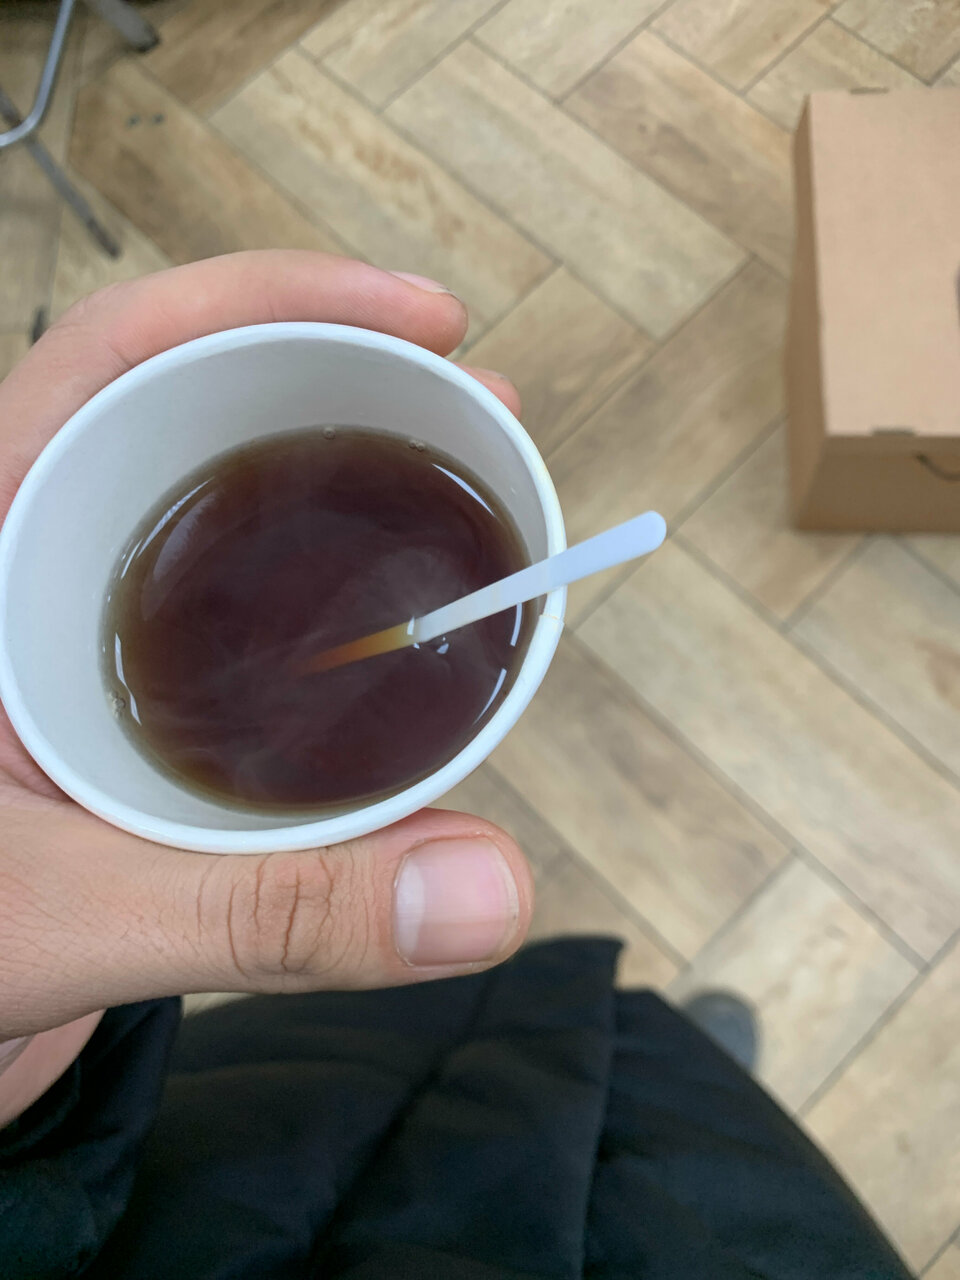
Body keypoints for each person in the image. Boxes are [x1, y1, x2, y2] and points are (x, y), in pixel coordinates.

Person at [0, 252, 911, 1279]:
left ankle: (632, 1081)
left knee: (582, 1073)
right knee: (667, 1123)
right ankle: (651, 1088)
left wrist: (20, 1089)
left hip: (185, 1149)